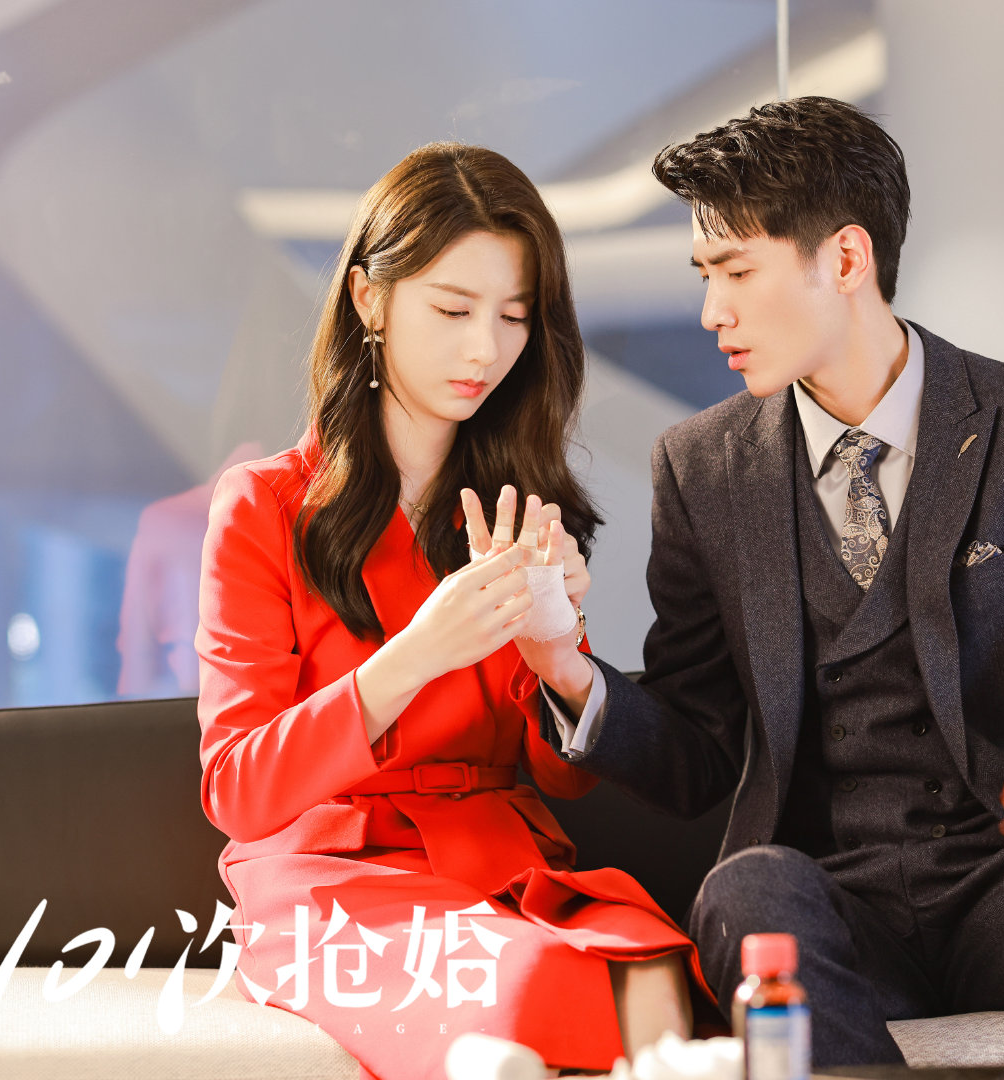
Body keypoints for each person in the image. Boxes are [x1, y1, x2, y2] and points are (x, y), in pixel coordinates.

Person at [517, 97, 1004, 1066]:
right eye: (704, 277)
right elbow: (699, 749)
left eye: (736, 272)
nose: (712, 312)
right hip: (831, 899)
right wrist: (567, 668)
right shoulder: (700, 467)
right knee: (746, 894)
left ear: (845, 259)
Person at [195, 142, 706, 1080]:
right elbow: (236, 788)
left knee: (655, 967)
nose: (486, 350)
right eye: (452, 309)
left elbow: (561, 783)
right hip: (334, 875)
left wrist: (557, 660)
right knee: (534, 987)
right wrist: (415, 655)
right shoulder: (264, 505)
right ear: (368, 299)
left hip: (497, 858)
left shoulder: (522, 505)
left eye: (514, 317)